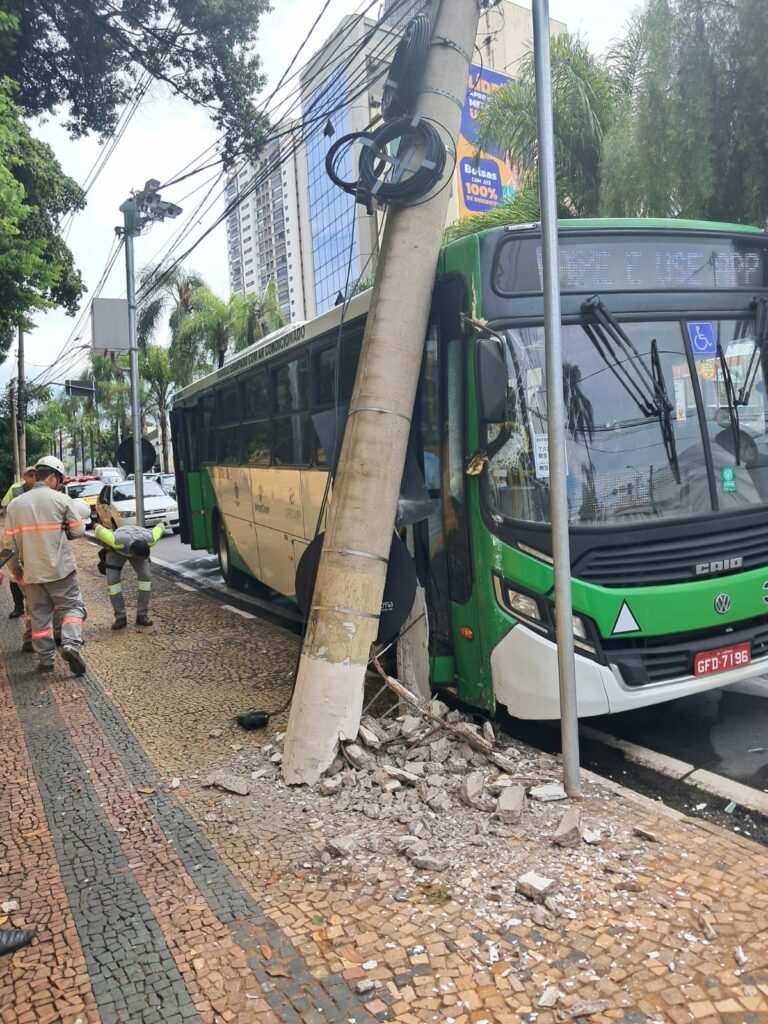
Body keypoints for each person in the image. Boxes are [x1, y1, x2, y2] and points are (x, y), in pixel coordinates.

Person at [4, 456, 88, 676]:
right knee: (72, 608)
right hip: (61, 570)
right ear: (53, 476)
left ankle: (45, 661)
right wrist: (63, 531)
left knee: (39, 616)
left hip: (31, 571)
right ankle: (70, 644)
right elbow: (79, 531)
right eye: (60, 479)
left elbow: (8, 545)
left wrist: (16, 571)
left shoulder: (15, 505)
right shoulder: (60, 499)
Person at [94, 521, 165, 628]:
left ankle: (142, 616)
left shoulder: (151, 539)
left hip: (138, 538)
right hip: (117, 550)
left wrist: (161, 523)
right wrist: (105, 542)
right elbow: (96, 526)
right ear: (133, 554)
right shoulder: (115, 541)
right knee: (113, 582)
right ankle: (120, 618)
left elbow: (160, 527)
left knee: (146, 577)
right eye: (141, 559)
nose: (143, 561)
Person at [2, 467, 36, 618]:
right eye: (30, 475)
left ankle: (35, 607)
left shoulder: (41, 490)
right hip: (17, 535)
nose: (33, 478)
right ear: (24, 476)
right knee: (14, 574)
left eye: (35, 475)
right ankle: (18, 607)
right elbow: (4, 504)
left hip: (35, 537)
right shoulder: (15, 489)